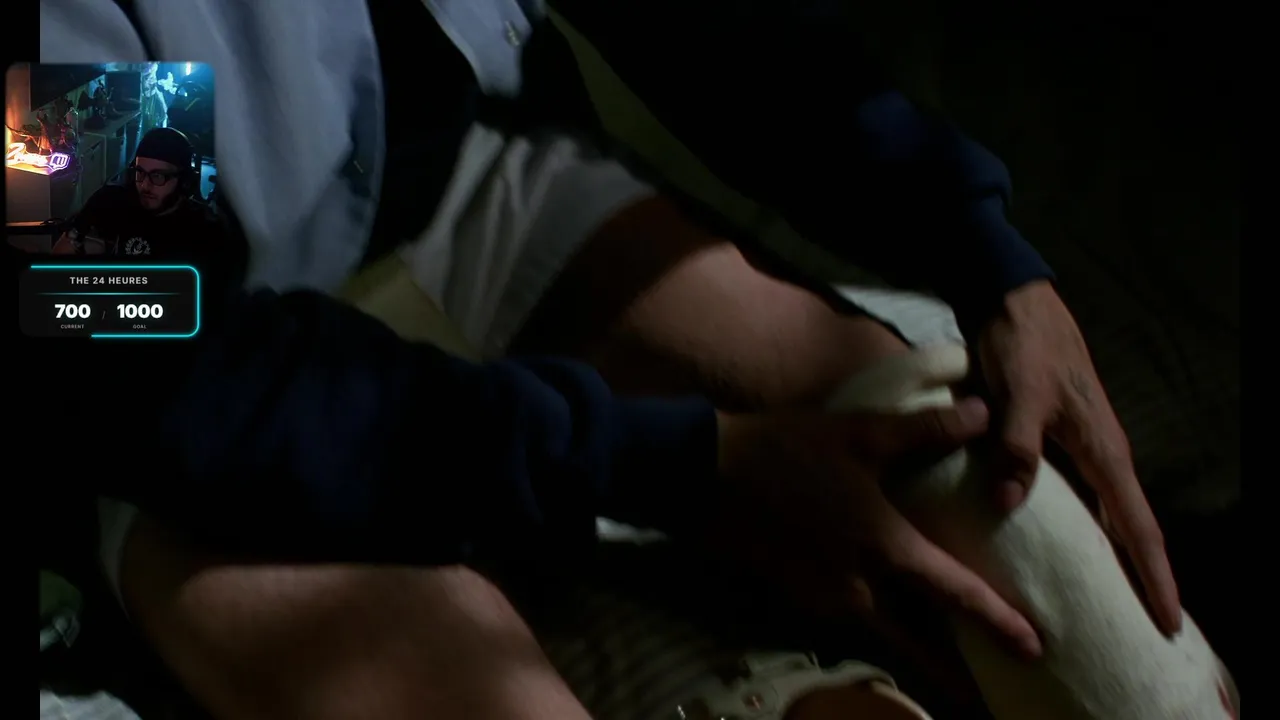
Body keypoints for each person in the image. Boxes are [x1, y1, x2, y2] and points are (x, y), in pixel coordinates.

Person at [37, 1, 1179, 718]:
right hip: (162, 380)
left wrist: (984, 257)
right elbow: (146, 371)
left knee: (1073, 604)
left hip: (448, 188)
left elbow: (708, 25)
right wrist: (666, 464)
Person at [51, 126, 218, 258]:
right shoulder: (113, 200)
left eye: (158, 176)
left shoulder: (203, 230)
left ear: (185, 181)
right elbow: (64, 249)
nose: (145, 185)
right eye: (140, 173)